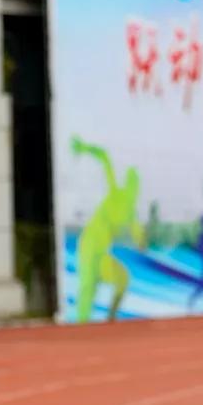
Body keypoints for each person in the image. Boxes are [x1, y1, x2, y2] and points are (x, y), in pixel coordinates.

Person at [71, 136, 145, 323]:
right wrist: (84, 147)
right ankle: (80, 328)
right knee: (88, 287)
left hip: (101, 251)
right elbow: (104, 157)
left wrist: (142, 241)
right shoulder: (116, 193)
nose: (132, 187)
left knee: (122, 279)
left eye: (135, 183)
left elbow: (139, 238)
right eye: (130, 181)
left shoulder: (130, 212)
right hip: (89, 244)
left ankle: (110, 319)